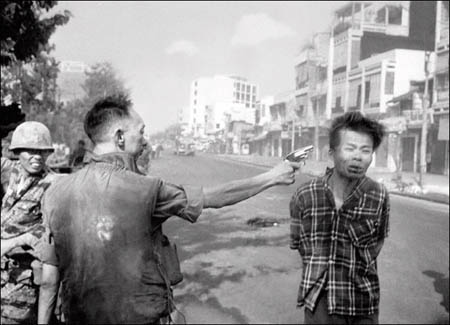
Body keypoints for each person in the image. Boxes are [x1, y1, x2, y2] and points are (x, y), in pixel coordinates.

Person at [37, 94, 303, 324]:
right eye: (140, 132)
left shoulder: (55, 193)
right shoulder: (145, 189)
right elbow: (217, 196)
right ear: (119, 137)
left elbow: (49, 278)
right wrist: (273, 176)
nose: (144, 140)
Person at [289, 111, 389, 324]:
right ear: (331, 153)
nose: (358, 157)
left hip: (362, 304)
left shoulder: (378, 194)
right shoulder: (305, 195)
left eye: (366, 150)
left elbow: (378, 243)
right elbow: (299, 244)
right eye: (350, 148)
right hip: (318, 303)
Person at [1, 121, 59, 324]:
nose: (36, 157)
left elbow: (49, 232)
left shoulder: (53, 184)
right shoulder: (11, 172)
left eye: (42, 152)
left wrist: (17, 240)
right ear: (17, 151)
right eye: (29, 151)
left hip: (23, 276)